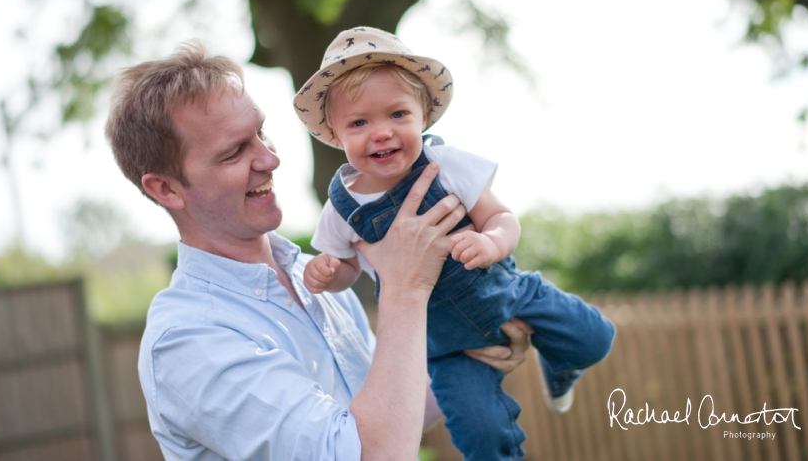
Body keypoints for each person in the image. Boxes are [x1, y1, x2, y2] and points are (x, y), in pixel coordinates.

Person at [104, 40, 533, 461]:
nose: (270, 159)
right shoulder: (187, 342)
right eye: (235, 151)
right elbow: (366, 455)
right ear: (166, 189)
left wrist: (470, 358)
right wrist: (406, 287)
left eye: (261, 133)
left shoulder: (314, 277)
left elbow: (382, 420)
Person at [293, 26, 616, 461]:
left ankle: (560, 367)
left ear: (423, 116)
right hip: (444, 348)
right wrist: (327, 273)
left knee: (595, 338)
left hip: (510, 295)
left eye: (397, 115)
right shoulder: (342, 208)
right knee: (483, 439)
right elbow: (348, 269)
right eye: (359, 122)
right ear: (335, 134)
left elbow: (501, 218)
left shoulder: (446, 165)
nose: (382, 132)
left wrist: (491, 244)